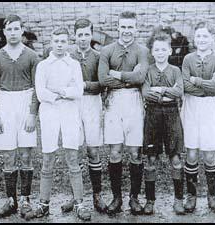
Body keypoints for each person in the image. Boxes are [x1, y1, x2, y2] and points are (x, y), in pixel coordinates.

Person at [25, 27, 91, 221]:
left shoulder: (74, 65)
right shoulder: (43, 65)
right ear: (51, 42)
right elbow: (41, 93)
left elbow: (78, 90)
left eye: (63, 41)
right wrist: (63, 93)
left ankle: (79, 203)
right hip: (50, 113)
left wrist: (60, 90)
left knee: (72, 157)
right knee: (48, 158)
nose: (60, 45)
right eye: (56, 41)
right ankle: (43, 204)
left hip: (70, 113)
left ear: (68, 42)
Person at [0, 14, 39, 218]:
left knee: (26, 154)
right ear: (4, 32)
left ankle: (26, 199)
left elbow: (37, 88)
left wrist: (32, 114)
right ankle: (11, 199)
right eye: (9, 29)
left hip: (25, 102)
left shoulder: (32, 56)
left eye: (16, 29)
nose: (13, 33)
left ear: (22, 31)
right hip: (5, 103)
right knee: (8, 155)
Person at [98, 11, 149, 216]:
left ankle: (134, 198)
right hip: (114, 101)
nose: (127, 31)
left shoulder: (142, 50)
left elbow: (141, 76)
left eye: (130, 27)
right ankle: (117, 197)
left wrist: (118, 74)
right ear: (117, 27)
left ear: (135, 28)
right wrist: (130, 77)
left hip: (134, 101)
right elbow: (102, 79)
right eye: (123, 27)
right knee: (115, 151)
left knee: (135, 152)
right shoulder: (107, 50)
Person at [59, 18, 107, 214]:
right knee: (73, 150)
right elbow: (61, 82)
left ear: (91, 35)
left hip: (92, 103)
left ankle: (97, 195)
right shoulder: (67, 55)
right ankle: (75, 195)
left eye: (87, 34)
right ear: (74, 36)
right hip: (72, 105)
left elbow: (102, 83)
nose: (83, 38)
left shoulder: (98, 56)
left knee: (93, 150)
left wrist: (83, 85)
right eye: (80, 35)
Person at [181, 21, 215, 213]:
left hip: (210, 108)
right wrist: (205, 87)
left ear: (212, 39)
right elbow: (185, 85)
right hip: (191, 106)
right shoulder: (188, 59)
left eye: (205, 36)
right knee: (191, 151)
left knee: (209, 153)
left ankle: (211, 195)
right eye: (198, 36)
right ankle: (191, 195)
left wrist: (197, 81)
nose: (202, 40)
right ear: (194, 39)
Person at [141, 34, 185, 215]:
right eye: (156, 49)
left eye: (163, 49)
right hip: (152, 116)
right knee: (151, 158)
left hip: (172, 115)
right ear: (152, 52)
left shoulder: (175, 70)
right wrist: (164, 94)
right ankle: (150, 200)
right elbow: (145, 92)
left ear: (170, 50)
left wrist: (160, 90)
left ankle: (178, 200)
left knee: (175, 157)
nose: (160, 52)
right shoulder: (148, 70)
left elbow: (179, 91)